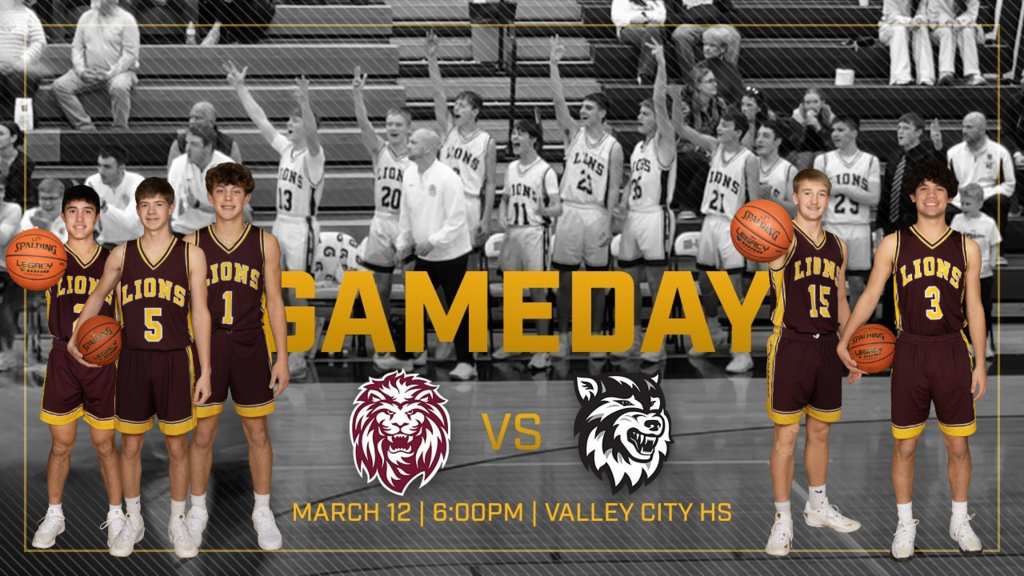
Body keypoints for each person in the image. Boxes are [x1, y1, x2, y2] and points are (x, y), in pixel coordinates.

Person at [838, 162, 987, 562]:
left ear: (951, 196)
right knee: (905, 445)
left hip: (953, 351)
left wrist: (981, 362)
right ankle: (905, 524)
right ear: (912, 196)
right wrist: (846, 340)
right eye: (923, 187)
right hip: (909, 350)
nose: (932, 194)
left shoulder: (967, 246)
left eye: (939, 188)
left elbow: (974, 305)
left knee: (958, 445)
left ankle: (959, 519)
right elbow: (870, 296)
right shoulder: (894, 243)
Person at [69, 177, 212, 559]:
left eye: (159, 204)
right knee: (130, 445)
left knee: (177, 446)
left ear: (171, 209)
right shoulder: (121, 254)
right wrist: (76, 332)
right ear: (137, 210)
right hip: (130, 359)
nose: (151, 211)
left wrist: (208, 369)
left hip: (174, 359)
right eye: (145, 204)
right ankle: (133, 519)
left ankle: (177, 520)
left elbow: (200, 314)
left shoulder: (190, 255)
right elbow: (97, 296)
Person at [184, 163, 288, 552]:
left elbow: (275, 302)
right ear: (209, 197)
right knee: (203, 433)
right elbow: (188, 308)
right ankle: (197, 511)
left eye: (235, 191)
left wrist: (281, 357)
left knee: (257, 432)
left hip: (249, 344)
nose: (228, 198)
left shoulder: (265, 243)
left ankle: (262, 510)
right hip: (207, 346)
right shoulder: (192, 242)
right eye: (221, 191)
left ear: (247, 197)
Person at [763, 168, 860, 557]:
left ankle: (817, 506)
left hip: (826, 347)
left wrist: (849, 347)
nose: (814, 201)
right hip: (790, 343)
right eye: (807, 193)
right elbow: (760, 248)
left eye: (821, 194)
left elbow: (840, 301)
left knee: (820, 431)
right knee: (786, 436)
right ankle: (782, 518)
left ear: (828, 198)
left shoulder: (839, 244)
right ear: (795, 196)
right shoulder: (781, 239)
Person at [30, 184, 125, 551]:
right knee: (61, 445)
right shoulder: (48, 260)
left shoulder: (113, 260)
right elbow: (20, 270)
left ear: (98, 216)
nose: (80, 218)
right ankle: (55, 514)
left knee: (105, 443)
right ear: (63, 215)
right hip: (62, 358)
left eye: (88, 211)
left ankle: (117, 516)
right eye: (73, 211)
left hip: (103, 361)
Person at [227, 62, 324, 379]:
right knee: (276, 290)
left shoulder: (314, 155)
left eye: (297, 121)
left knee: (299, 290)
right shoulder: (286, 150)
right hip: (281, 224)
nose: (290, 124)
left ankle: (300, 350)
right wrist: (241, 89)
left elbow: (310, 132)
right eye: (291, 120)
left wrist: (304, 101)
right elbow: (261, 121)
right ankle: (281, 345)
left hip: (303, 227)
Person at [549, 35, 625, 360]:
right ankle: (564, 336)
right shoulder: (573, 133)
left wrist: (609, 222)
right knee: (564, 278)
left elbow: (613, 189)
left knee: (596, 280)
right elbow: (557, 104)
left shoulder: (614, 147)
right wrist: (553, 65)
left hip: (595, 213)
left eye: (589, 108)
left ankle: (593, 337)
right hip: (569, 211)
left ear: (602, 113)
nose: (582, 110)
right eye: (581, 107)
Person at [676, 107, 759, 373]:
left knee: (733, 290)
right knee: (706, 283)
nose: (719, 128)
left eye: (725, 125)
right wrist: (676, 99)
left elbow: (755, 202)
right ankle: (712, 334)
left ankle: (742, 351)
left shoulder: (749, 159)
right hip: (710, 222)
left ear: (738, 131)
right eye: (719, 124)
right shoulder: (714, 148)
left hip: (733, 225)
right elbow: (680, 128)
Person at [391, 128, 475, 379]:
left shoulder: (448, 178)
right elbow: (406, 214)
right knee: (415, 308)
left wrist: (435, 241)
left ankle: (467, 363)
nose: (408, 144)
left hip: (451, 255)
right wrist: (402, 243)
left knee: (457, 309)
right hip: (424, 255)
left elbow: (458, 220)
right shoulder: (408, 175)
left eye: (414, 141)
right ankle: (406, 357)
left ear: (427, 148)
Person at [614, 41, 675, 362]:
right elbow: (632, 182)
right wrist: (622, 203)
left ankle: (658, 342)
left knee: (656, 282)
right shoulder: (638, 148)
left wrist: (661, 63)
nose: (640, 116)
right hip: (634, 217)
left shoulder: (664, 144)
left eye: (645, 112)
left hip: (656, 217)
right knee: (628, 283)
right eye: (639, 112)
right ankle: (633, 339)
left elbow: (659, 100)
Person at [351, 65, 412, 367]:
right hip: (382, 220)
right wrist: (358, 94)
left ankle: (413, 349)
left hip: (407, 225)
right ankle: (383, 345)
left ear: (408, 128)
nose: (392, 128)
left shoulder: (417, 157)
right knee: (380, 288)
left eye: (398, 124)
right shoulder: (380, 150)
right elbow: (363, 126)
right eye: (389, 123)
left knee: (415, 289)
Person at [491, 119, 562, 369]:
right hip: (513, 233)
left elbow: (558, 206)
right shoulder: (511, 168)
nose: (514, 137)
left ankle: (543, 350)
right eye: (512, 132)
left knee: (537, 292)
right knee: (511, 291)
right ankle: (513, 341)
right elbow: (505, 198)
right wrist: (501, 213)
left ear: (533, 139)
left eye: (520, 133)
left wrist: (546, 209)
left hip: (535, 234)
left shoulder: (546, 172)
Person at [427, 31, 497, 253]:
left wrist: (486, 219)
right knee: (438, 253)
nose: (456, 107)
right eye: (455, 104)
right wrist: (432, 58)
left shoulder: (487, 142)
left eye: (463, 105)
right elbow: (438, 95)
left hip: (470, 202)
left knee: (469, 257)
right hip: (442, 198)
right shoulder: (448, 130)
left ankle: (470, 290)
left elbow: (491, 184)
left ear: (475, 112)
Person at [877, 113, 945, 333]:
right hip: (892, 227)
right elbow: (886, 192)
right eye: (898, 127)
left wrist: (938, 148)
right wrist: (880, 225)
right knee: (889, 279)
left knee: (914, 279)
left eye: (906, 127)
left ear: (918, 132)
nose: (900, 131)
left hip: (916, 227)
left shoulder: (927, 156)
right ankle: (888, 329)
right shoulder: (895, 156)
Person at [814, 116, 881, 310]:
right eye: (834, 130)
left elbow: (874, 198)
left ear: (854, 133)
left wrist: (843, 188)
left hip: (859, 227)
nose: (835, 134)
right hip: (831, 226)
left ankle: (853, 330)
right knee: (829, 284)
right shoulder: (823, 160)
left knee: (858, 283)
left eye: (841, 130)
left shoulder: (870, 161)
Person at [51, 0, 139, 130]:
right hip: (90, 70)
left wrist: (110, 74)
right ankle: (85, 126)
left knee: (119, 87)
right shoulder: (86, 17)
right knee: (60, 86)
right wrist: (81, 70)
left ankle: (120, 129)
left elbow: (130, 55)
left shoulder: (127, 19)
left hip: (120, 72)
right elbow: (77, 47)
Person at [950, 183, 1000, 359]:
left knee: (983, 309)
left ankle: (983, 343)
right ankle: (966, 343)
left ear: (980, 203)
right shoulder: (957, 220)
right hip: (962, 275)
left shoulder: (988, 223)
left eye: (968, 204)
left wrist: (992, 263)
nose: (964, 207)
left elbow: (994, 245)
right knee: (962, 310)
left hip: (983, 275)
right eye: (963, 203)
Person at [946, 111, 1015, 232]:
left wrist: (981, 196)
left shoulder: (1000, 152)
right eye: (963, 126)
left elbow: (1009, 185)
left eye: (969, 127)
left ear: (982, 129)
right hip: (960, 199)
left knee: (1000, 202)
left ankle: (996, 249)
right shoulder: (953, 153)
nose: (964, 131)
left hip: (988, 197)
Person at [673, 64, 726, 215]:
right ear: (697, 85)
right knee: (703, 162)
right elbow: (679, 135)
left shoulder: (719, 105)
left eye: (715, 80)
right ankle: (688, 206)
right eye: (709, 81)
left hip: (710, 149)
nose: (715, 84)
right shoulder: (685, 105)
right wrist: (702, 148)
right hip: (682, 152)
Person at [167, 124, 234, 236]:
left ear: (207, 147)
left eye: (194, 144)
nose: (187, 148)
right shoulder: (178, 164)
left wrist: (198, 205)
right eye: (187, 143)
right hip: (182, 230)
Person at [85, 144, 145, 249]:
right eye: (99, 165)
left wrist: (104, 207)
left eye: (107, 167)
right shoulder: (92, 182)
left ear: (121, 167)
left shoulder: (138, 183)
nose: (101, 171)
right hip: (106, 243)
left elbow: (129, 224)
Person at [0, 0, 46, 120]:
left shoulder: (28, 15)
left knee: (19, 82)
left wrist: (21, 62)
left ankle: (21, 124)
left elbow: (39, 42)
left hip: (22, 67)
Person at [670, 0, 735, 81]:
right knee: (679, 35)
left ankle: (727, 79)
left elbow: (730, 13)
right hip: (688, 24)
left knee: (733, 35)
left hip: (715, 22)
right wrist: (692, 17)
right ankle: (692, 81)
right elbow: (670, 17)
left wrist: (712, 17)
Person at [925, 0, 986, 86]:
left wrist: (958, 21)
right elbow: (933, 14)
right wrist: (947, 21)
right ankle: (945, 72)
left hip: (963, 26)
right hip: (940, 28)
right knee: (947, 31)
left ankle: (972, 74)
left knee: (967, 31)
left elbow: (972, 13)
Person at [166, 101, 241, 168]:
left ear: (211, 123)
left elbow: (238, 179)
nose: (192, 121)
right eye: (190, 117)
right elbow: (172, 176)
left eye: (197, 118)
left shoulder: (229, 144)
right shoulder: (179, 143)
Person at [879, 0, 935, 85]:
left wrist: (919, 19)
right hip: (889, 27)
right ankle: (901, 77)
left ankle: (926, 77)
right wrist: (910, 22)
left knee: (922, 28)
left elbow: (923, 13)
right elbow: (892, 16)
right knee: (900, 28)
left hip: (910, 28)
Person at [610, 0, 666, 84]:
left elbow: (662, 16)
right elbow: (617, 18)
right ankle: (652, 74)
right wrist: (634, 18)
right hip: (629, 28)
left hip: (652, 27)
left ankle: (645, 75)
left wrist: (646, 16)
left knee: (651, 29)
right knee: (651, 35)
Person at [756, 119, 797, 218]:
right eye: (758, 135)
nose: (759, 140)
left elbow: (795, 211)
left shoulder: (789, 170)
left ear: (777, 141)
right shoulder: (747, 163)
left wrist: (771, 199)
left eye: (766, 136)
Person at [0, 189, 22, 362]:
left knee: (4, 305)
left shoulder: (13, 209)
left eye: (1, 190)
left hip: (9, 270)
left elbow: (2, 237)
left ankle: (5, 353)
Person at [791, 88, 837, 170]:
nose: (812, 106)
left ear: (822, 103)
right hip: (801, 153)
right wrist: (805, 126)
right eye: (808, 103)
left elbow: (833, 145)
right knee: (806, 157)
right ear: (803, 105)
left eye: (815, 102)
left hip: (824, 151)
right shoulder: (796, 118)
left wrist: (819, 127)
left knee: (819, 157)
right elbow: (796, 145)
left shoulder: (829, 117)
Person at [697, 26, 742, 105]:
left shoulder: (731, 69)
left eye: (712, 45)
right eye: (705, 44)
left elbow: (738, 99)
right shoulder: (698, 67)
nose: (707, 48)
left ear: (723, 49)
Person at [1, 120, 36, 207]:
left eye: (1, 134)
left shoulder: (25, 163)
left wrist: (3, 177)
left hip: (17, 206)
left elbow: (15, 192)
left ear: (13, 138)